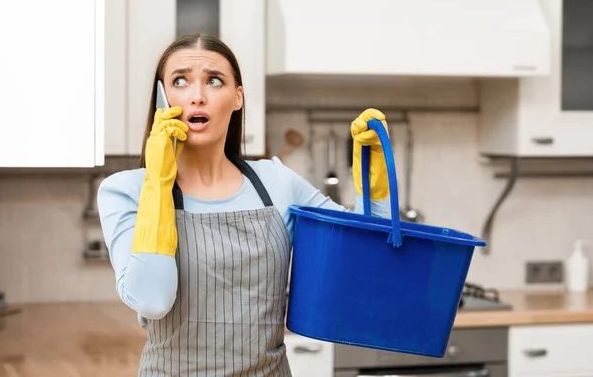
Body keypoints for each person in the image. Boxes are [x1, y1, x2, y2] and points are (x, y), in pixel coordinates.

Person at [97, 32, 393, 377]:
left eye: (214, 81)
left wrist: (375, 185)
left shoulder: (277, 182)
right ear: (162, 99)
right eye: (180, 81)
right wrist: (158, 184)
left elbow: (371, 259)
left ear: (237, 97)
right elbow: (153, 299)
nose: (197, 96)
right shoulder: (126, 191)